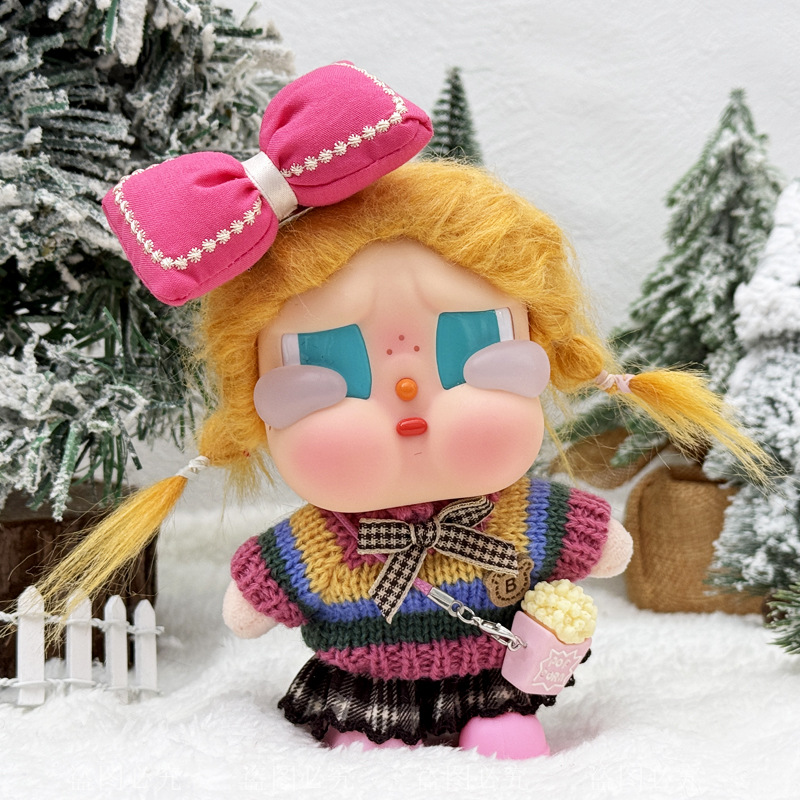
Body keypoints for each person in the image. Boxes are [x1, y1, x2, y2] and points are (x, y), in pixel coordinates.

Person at [37, 63, 767, 759]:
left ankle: (494, 725)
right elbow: (256, 596)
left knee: (505, 741)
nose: (409, 399)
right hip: (364, 693)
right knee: (364, 749)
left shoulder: (521, 518)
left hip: (490, 685)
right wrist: (259, 595)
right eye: (334, 368)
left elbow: (602, 544)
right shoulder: (324, 543)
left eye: (466, 348)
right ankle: (370, 738)